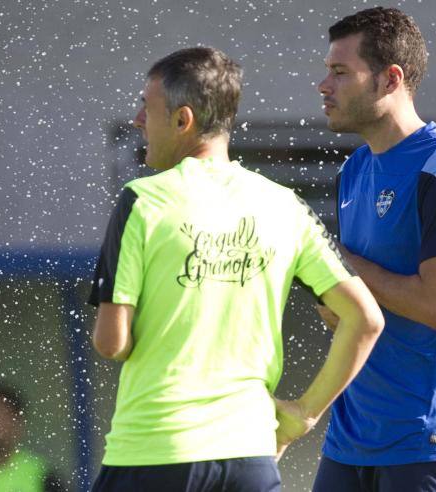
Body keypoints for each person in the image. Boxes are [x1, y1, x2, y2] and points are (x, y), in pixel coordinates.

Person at [87, 46, 384, 492]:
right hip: (250, 458)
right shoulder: (284, 204)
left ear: (182, 120)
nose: (136, 121)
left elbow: (113, 343)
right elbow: (365, 318)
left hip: (153, 454)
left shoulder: (143, 199)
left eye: (146, 108)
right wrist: (303, 415)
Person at [313, 7, 436, 492]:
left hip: (429, 439)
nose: (323, 86)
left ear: (390, 79)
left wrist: (338, 266)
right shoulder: (352, 170)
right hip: (349, 439)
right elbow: (352, 306)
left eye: (339, 72)